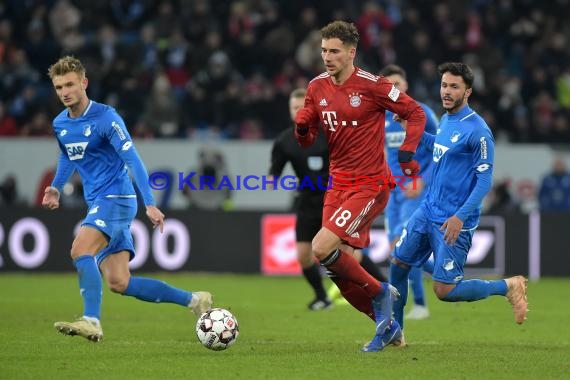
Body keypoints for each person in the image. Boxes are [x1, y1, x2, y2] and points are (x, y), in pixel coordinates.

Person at [42, 56, 213, 342]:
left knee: (79, 249)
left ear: (84, 83)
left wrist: (149, 203)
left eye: (70, 84)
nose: (65, 92)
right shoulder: (60, 123)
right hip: (99, 200)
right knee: (120, 282)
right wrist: (56, 187)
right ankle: (195, 300)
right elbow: (67, 154)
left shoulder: (106, 117)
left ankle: (91, 320)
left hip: (117, 197)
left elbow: (133, 160)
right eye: (59, 87)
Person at [294, 21, 427, 352]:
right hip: (337, 184)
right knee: (337, 267)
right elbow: (308, 138)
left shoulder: (373, 86)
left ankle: (382, 292)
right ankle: (388, 326)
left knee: (321, 248)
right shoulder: (316, 87)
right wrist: (301, 130)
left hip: (370, 183)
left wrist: (408, 153)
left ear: (351, 53)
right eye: (324, 50)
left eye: (334, 51)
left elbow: (415, 113)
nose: (327, 57)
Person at [390, 62, 528, 347]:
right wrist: (411, 130)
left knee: (445, 290)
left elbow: (484, 182)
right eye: (444, 85)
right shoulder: (446, 120)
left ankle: (507, 286)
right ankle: (395, 333)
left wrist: (460, 217)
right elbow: (438, 148)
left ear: (468, 92)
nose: (447, 91)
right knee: (398, 263)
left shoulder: (479, 131)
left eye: (454, 87)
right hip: (428, 209)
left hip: (453, 219)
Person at [269, 88, 387, 311]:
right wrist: (271, 179)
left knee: (347, 254)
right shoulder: (285, 141)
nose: (298, 112)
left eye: (302, 107)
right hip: (306, 202)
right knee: (304, 256)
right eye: (294, 108)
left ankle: (384, 286)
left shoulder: (329, 134)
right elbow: (275, 171)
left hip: (334, 199)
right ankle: (322, 297)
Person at [380, 64, 438, 320]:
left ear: (406, 87)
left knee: (403, 248)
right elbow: (382, 153)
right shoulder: (381, 118)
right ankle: (445, 276)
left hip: (417, 190)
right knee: (397, 251)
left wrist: (423, 180)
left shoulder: (422, 113)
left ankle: (420, 304)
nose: (394, 89)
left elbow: (440, 150)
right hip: (393, 192)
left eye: (398, 85)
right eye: (389, 86)